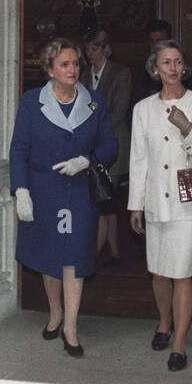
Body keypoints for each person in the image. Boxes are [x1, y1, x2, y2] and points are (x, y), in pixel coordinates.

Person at [10, 38, 118, 357]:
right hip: (44, 189)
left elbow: (111, 144)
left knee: (75, 255)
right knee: (50, 255)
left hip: (81, 191)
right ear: (49, 70)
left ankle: (71, 326)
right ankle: (55, 313)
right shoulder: (32, 102)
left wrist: (88, 160)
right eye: (65, 64)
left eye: (76, 64)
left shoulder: (94, 102)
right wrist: (21, 191)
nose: (73, 70)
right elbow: (19, 150)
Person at [129, 39, 192, 371]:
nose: (173, 68)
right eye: (166, 62)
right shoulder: (143, 109)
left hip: (189, 203)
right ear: (155, 69)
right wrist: (135, 204)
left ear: (185, 67)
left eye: (178, 62)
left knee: (181, 273)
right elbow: (138, 161)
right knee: (159, 270)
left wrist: (187, 128)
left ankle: (178, 343)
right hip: (155, 200)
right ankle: (163, 322)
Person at [82, 29, 132, 266]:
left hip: (112, 144)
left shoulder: (121, 73)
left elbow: (119, 112)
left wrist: (92, 128)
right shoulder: (83, 74)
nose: (90, 53)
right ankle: (114, 251)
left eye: (94, 48)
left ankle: (95, 254)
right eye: (88, 49)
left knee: (104, 199)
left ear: (105, 49)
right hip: (89, 145)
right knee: (106, 201)